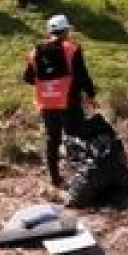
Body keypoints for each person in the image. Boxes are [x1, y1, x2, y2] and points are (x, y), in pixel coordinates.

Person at [23, 14, 97, 188]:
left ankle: (55, 178)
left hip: (47, 103)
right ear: (65, 31)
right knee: (75, 138)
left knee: (52, 139)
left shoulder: (36, 52)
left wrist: (46, 83)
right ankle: (80, 177)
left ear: (49, 32)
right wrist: (90, 95)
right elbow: (82, 75)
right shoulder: (71, 49)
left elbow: (27, 77)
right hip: (68, 101)